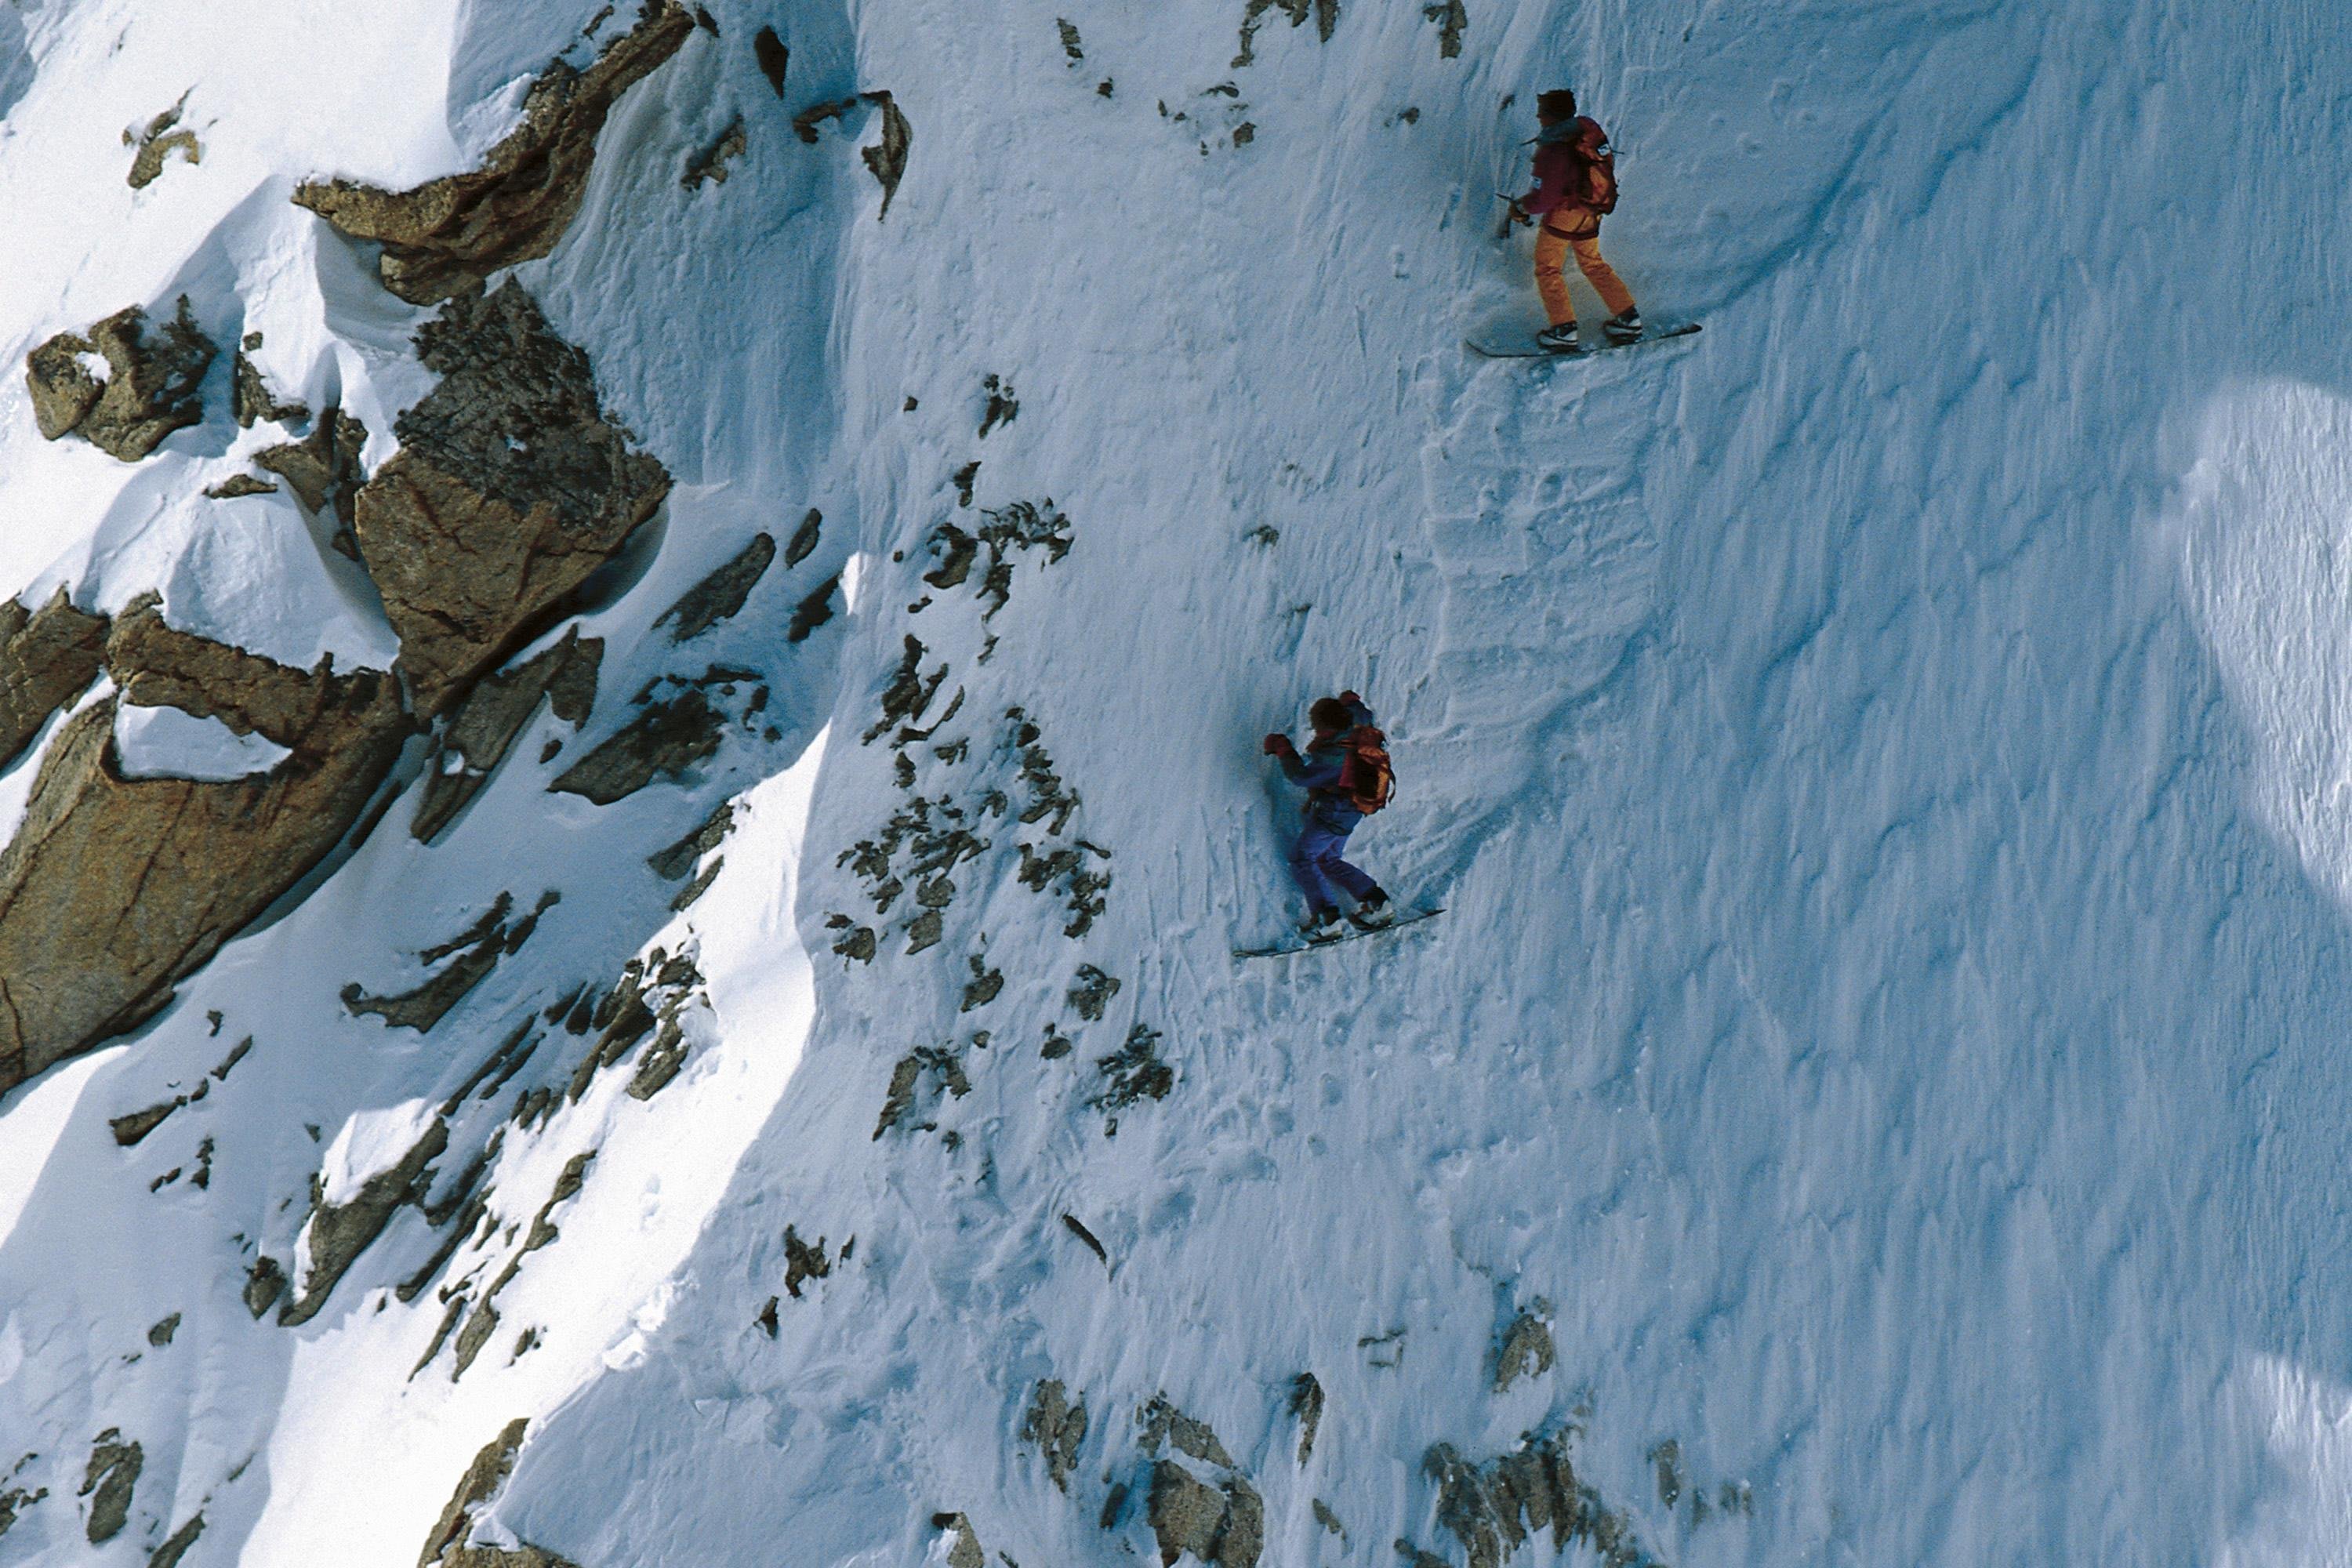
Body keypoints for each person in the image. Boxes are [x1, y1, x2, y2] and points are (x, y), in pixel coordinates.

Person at [1508, 87, 1642, 354]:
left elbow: (1545, 197)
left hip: (1565, 214)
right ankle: (1629, 320)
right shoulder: (1588, 134)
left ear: (1551, 115)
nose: (1538, 116)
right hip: (1592, 209)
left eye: (1542, 111)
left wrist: (1523, 207)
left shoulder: (1555, 150)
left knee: (1548, 268)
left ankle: (1564, 330)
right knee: (1593, 264)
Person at [1262, 691, 1392, 938]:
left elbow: (1301, 777)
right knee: (1328, 859)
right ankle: (1378, 903)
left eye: (1318, 728)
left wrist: (1283, 748)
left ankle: (1328, 920)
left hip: (1335, 814)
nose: (1316, 732)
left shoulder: (1334, 759)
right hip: (1354, 809)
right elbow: (1362, 710)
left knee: (1303, 858)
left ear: (1327, 730)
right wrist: (1350, 700)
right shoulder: (1358, 721)